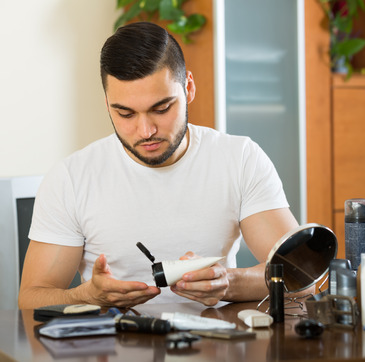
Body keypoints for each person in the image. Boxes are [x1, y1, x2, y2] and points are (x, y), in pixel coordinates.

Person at [18, 22, 301, 309]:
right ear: (107, 104)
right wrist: (86, 295)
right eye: (125, 113)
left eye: (161, 109)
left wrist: (228, 282)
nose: (145, 130)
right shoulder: (72, 179)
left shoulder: (239, 159)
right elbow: (30, 300)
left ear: (188, 88)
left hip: (217, 348)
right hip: (110, 351)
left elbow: (301, 275)